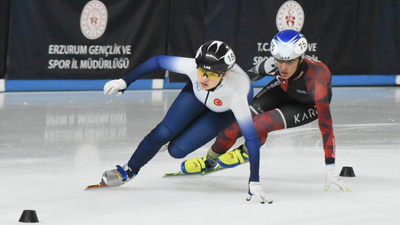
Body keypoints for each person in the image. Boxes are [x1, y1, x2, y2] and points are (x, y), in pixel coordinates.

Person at [98, 40, 272, 203]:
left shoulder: (237, 95)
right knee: (163, 132)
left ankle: (169, 141)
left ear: (225, 74)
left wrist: (254, 180)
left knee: (177, 151)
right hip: (197, 95)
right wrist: (125, 81)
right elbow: (158, 61)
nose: (204, 78)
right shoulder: (194, 69)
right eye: (201, 71)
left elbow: (250, 138)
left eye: (211, 74)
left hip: (223, 111)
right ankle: (129, 170)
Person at [181, 30, 350, 192]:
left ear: (301, 58)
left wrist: (330, 167)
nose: (283, 67)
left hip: (307, 104)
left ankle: (246, 152)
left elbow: (326, 126)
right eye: (279, 60)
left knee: (261, 123)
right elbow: (242, 80)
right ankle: (209, 160)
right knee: (235, 122)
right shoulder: (272, 65)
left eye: (290, 61)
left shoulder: (317, 81)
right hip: (282, 90)